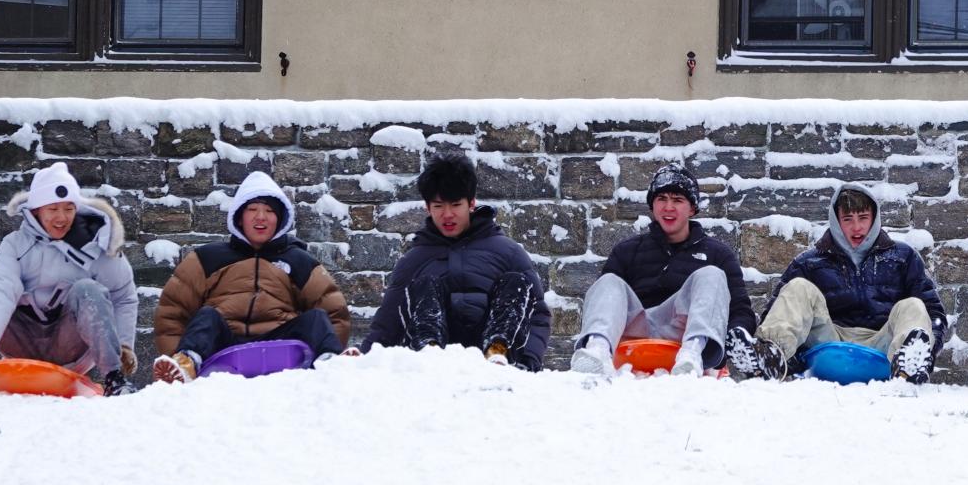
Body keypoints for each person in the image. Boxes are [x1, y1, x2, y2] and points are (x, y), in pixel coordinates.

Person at [0, 161, 139, 394]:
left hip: (70, 345)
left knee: (88, 289)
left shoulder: (95, 246)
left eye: (68, 209)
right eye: (53, 209)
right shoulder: (15, 245)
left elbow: (123, 296)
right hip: (21, 341)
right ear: (36, 210)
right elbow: (1, 287)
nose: (62, 218)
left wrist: (125, 344)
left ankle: (114, 378)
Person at [730, 182, 948, 383]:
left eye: (863, 218)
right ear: (836, 221)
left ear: (874, 218)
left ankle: (910, 366)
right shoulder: (810, 262)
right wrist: (795, 360)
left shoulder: (903, 257)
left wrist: (929, 353)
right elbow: (778, 312)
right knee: (798, 287)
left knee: (913, 305)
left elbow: (933, 313)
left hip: (884, 345)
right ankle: (770, 358)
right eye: (848, 220)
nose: (856, 227)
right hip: (828, 343)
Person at [151, 169, 351, 381]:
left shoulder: (299, 261)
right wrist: (172, 354)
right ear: (239, 217)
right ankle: (185, 364)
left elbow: (334, 312)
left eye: (270, 211)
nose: (261, 217)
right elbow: (172, 312)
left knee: (316, 318)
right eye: (252, 209)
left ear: (280, 219)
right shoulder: (207, 258)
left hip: (279, 343)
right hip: (222, 342)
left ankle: (331, 364)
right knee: (207, 316)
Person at [364, 151, 550, 366]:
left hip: (499, 358)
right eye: (438, 206)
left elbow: (537, 313)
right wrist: (363, 360)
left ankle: (497, 353)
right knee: (424, 283)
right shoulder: (414, 261)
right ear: (427, 208)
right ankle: (430, 351)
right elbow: (388, 323)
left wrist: (531, 361)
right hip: (435, 363)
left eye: (455, 205)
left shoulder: (508, 252)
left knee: (516, 282)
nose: (447, 215)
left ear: (471, 203)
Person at [569, 165, 754, 378]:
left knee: (711, 274)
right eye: (662, 199)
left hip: (681, 337)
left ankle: (692, 354)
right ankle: (598, 351)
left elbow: (741, 310)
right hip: (633, 339)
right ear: (652, 206)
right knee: (609, 281)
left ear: (692, 208)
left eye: (677, 200)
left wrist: (733, 341)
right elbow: (605, 303)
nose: (668, 207)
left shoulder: (717, 254)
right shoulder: (627, 251)